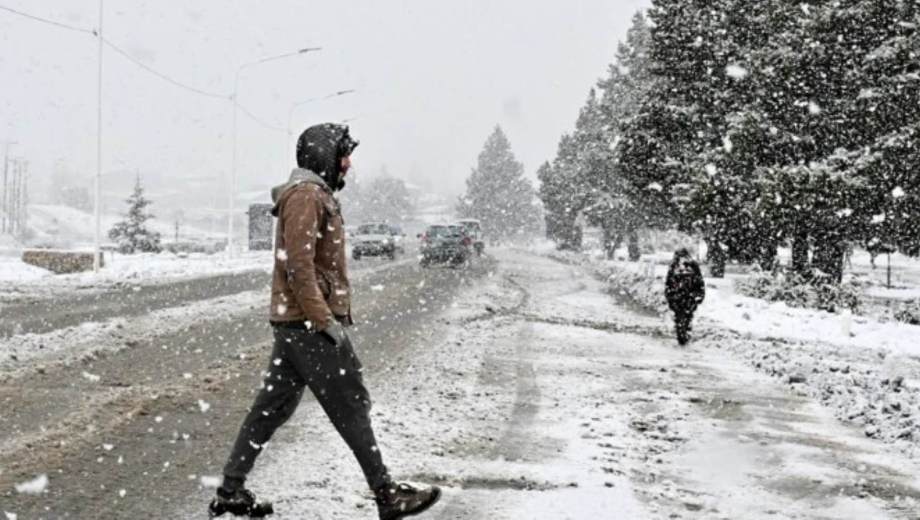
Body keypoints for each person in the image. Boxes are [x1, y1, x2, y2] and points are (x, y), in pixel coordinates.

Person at [209, 123, 441, 519]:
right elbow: (298, 266)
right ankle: (386, 494)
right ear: (322, 155)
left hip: (297, 324)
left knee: (271, 409)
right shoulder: (306, 197)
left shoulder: (314, 195)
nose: (348, 163)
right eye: (342, 154)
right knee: (350, 403)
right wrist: (324, 321)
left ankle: (231, 491)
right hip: (308, 325)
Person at [665, 248, 705, 346]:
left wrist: (670, 295)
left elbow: (668, 283)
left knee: (683, 317)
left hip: (683, 296)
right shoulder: (677, 266)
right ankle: (684, 334)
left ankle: (683, 334)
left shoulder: (676, 266)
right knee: (685, 316)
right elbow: (700, 282)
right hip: (684, 296)